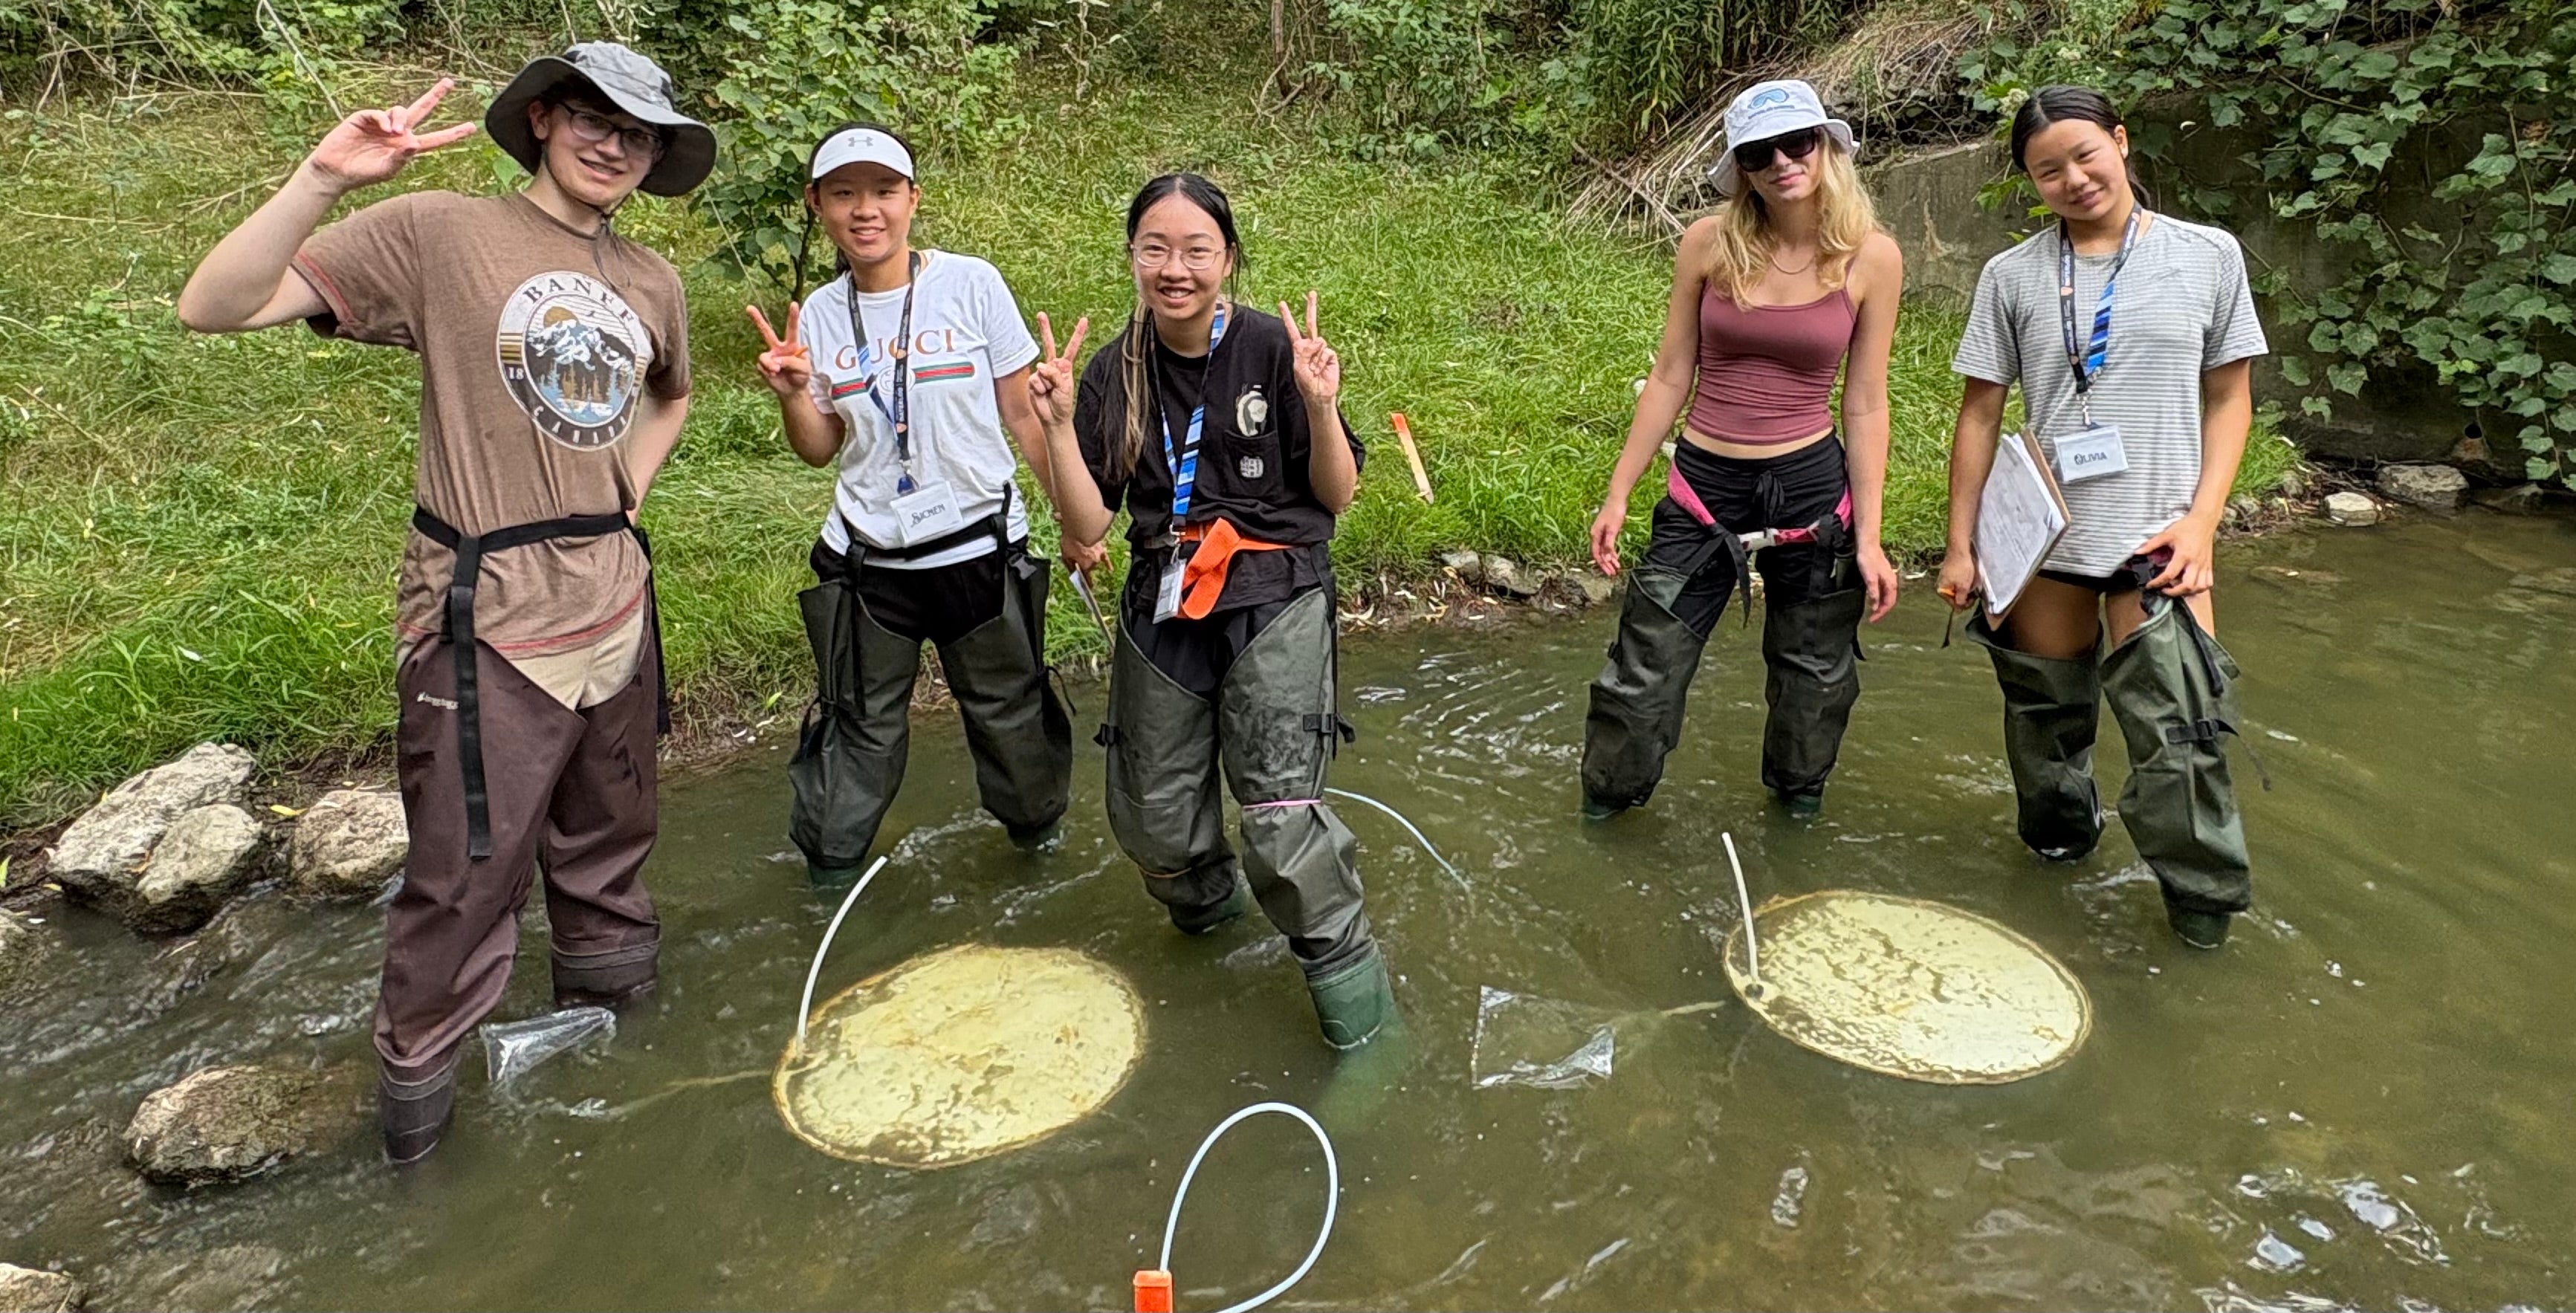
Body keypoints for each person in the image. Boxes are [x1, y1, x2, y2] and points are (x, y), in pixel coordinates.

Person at [175, 43, 713, 1161]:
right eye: (593, 118)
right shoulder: (438, 232)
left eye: (639, 132)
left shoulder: (651, 278)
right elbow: (214, 306)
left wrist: (622, 492)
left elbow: (672, 394)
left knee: (611, 859)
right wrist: (319, 179)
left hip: (614, 606)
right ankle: (420, 1155)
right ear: (544, 121)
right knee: (461, 883)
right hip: (487, 618)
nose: (614, 144)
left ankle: (629, 1094)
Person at [1023, 173, 1394, 1050]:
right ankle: (1214, 944)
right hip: (1164, 592)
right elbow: (1088, 523)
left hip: (1274, 590)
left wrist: (1319, 403)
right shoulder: (1117, 368)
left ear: (1228, 258)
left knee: (1279, 820)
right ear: (1131, 258)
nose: (1174, 269)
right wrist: (1054, 428)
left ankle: (1363, 1029)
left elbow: (1334, 498)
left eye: (1196, 250)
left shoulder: (1272, 347)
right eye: (1155, 248)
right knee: (1151, 821)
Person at [1937, 85, 2269, 949]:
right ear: (2030, 183)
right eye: (2048, 170)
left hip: (2158, 534)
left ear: (2120, 143)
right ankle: (2053, 861)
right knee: (2044, 727)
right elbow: (1979, 413)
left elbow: (2229, 398)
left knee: (2180, 740)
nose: (2073, 178)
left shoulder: (2206, 256)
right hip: (2042, 537)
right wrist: (1961, 545)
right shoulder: (2011, 276)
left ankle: (2200, 923)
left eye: (2086, 155)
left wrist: (2202, 524)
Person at [748, 124, 1072, 884]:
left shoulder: (972, 284)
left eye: (884, 191)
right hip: (867, 564)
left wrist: (1073, 519)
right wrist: (795, 395)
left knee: (1011, 717)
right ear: (817, 205)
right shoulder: (821, 314)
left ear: (912, 200)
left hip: (981, 550)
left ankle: (1042, 864)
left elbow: (1023, 413)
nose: (867, 211)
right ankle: (829, 878)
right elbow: (819, 447)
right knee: (856, 730)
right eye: (844, 193)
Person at [1581, 80, 1903, 822]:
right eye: (1761, 153)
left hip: (1811, 487)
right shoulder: (1706, 242)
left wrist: (1873, 539)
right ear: (1741, 168)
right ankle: (1606, 810)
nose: (1784, 162)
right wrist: (1620, 491)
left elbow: (1865, 401)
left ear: (1826, 145)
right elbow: (1670, 373)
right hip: (1704, 483)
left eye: (1799, 143)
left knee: (1813, 675)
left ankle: (1796, 810)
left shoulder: (1871, 259)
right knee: (1643, 670)